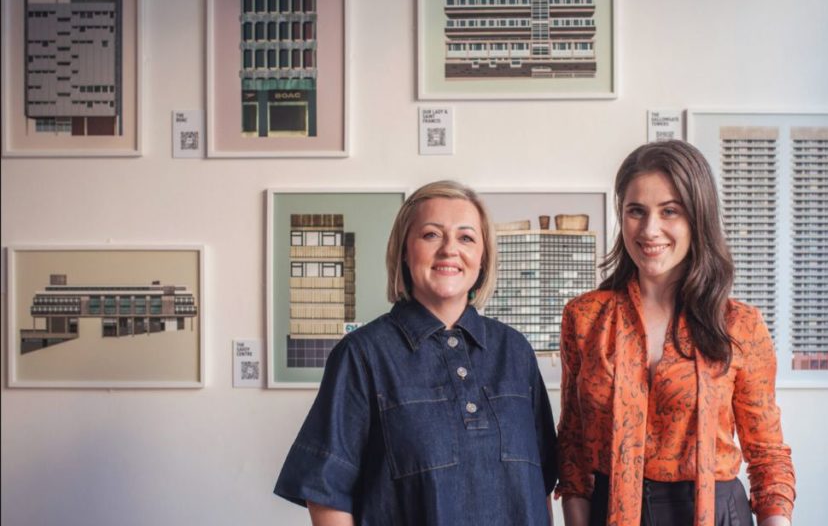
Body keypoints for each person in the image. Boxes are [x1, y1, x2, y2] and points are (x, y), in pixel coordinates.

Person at [275, 180, 558, 526]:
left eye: (466, 237)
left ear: (483, 258)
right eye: (431, 235)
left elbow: (540, 484)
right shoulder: (362, 355)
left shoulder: (515, 352)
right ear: (404, 251)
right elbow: (326, 494)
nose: (450, 250)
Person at [557, 141, 796, 526]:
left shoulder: (740, 325)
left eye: (670, 211)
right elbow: (573, 446)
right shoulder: (584, 317)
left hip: (714, 512)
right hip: (611, 510)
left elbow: (767, 455)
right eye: (637, 211)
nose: (650, 229)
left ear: (697, 217)